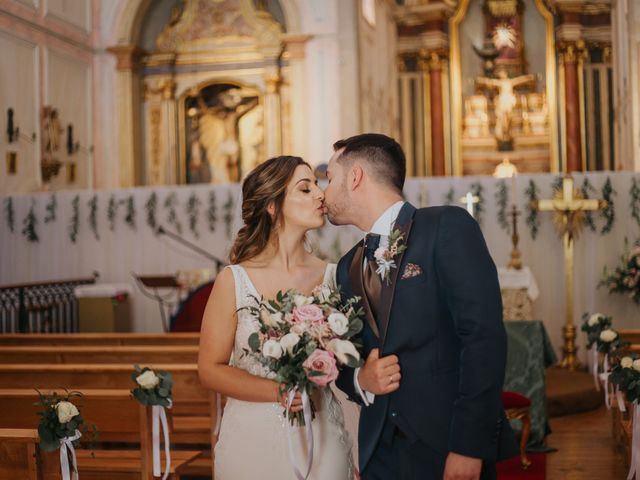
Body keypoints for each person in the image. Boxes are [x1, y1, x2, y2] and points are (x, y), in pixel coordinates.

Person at [323, 133, 518, 480]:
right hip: (378, 453)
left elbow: (483, 338)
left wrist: (468, 446)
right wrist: (360, 379)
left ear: (355, 178)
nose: (325, 192)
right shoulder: (346, 267)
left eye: (330, 178)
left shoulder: (444, 226)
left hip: (445, 445)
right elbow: (345, 360)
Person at [198, 155, 355, 479]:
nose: (320, 194)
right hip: (252, 442)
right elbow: (209, 370)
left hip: (320, 435)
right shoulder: (234, 280)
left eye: (317, 185)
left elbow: (351, 358)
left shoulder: (333, 276)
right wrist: (279, 392)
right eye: (305, 188)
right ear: (272, 205)